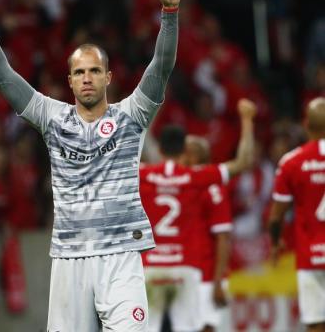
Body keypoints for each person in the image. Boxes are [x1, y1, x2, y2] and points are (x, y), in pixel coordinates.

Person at [0, 0, 181, 331]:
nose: (87, 78)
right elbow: (3, 78)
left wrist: (169, 13)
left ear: (108, 77)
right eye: (79, 72)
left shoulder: (132, 115)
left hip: (121, 256)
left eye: (95, 71)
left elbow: (161, 66)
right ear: (69, 80)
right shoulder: (52, 117)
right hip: (69, 257)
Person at [139, 98, 256, 332]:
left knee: (147, 328)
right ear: (183, 150)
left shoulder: (142, 175)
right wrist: (247, 120)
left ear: (160, 150)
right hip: (185, 266)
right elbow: (243, 162)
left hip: (151, 266)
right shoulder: (196, 178)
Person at [268, 97, 325, 332]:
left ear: (305, 125)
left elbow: (276, 216)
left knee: (315, 322)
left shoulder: (291, 162)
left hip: (309, 255)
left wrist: (275, 242)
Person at [184, 135, 232, 332]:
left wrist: (218, 281)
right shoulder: (183, 185)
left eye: (184, 152)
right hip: (187, 273)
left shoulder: (212, 188)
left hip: (207, 276)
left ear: (194, 156)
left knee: (205, 328)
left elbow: (223, 237)